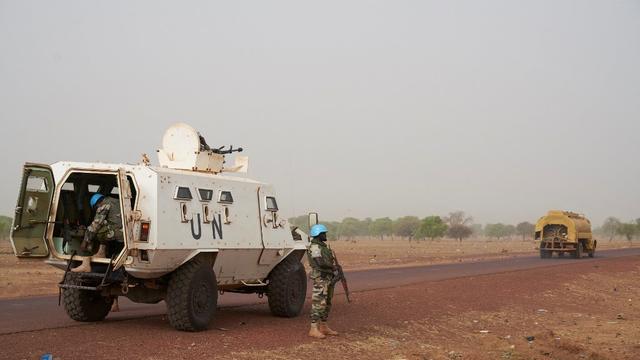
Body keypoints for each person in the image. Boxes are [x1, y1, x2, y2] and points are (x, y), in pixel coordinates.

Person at [72, 193, 123, 273]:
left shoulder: (103, 205)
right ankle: (101, 252)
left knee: (95, 232)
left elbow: (96, 224)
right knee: (103, 226)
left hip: (117, 233)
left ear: (97, 204)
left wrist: (85, 240)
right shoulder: (116, 201)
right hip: (126, 234)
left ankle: (86, 262)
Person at [307, 224, 340, 339]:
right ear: (318, 234)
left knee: (327, 303)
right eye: (324, 233)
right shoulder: (315, 247)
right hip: (321, 278)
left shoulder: (323, 247)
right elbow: (320, 262)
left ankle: (323, 326)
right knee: (318, 303)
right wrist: (333, 267)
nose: (326, 235)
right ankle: (313, 328)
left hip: (327, 277)